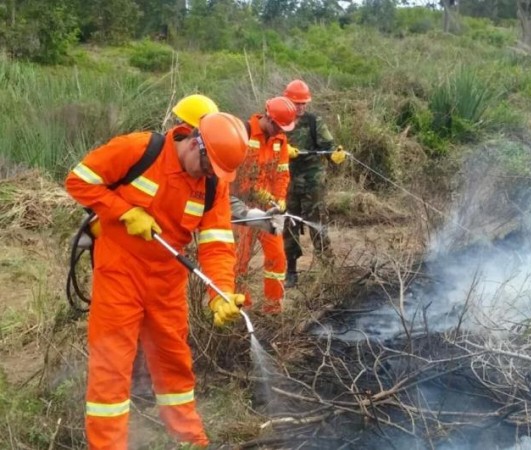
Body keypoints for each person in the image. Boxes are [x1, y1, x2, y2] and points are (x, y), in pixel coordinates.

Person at [65, 110, 249, 449]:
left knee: (174, 362)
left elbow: (218, 244)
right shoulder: (138, 149)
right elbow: (78, 180)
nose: (210, 176)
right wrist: (123, 211)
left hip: (167, 284)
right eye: (208, 167)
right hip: (120, 272)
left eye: (217, 173)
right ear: (196, 143)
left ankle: (190, 439)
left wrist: (220, 293)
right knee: (112, 366)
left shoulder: (212, 185)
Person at [232, 96, 296, 313]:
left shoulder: (280, 140)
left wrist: (280, 199)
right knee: (239, 261)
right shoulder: (244, 133)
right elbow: (243, 182)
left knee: (278, 256)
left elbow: (282, 174)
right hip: (243, 210)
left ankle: (273, 306)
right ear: (268, 117)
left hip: (269, 209)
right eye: (278, 126)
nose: (281, 131)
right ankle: (242, 307)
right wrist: (265, 198)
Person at [282, 80, 346, 288]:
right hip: (287, 181)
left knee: (318, 224)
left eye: (303, 103)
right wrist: (284, 152)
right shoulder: (280, 122)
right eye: (296, 103)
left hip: (312, 181)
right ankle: (291, 270)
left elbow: (328, 147)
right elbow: (268, 149)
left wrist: (335, 155)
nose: (300, 107)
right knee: (288, 225)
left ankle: (327, 270)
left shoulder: (313, 122)